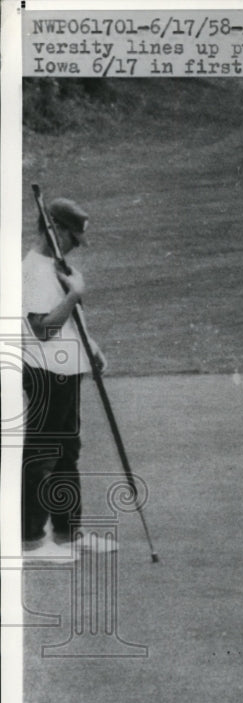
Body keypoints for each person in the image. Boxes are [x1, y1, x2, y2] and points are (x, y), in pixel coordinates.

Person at [21, 197, 109, 559]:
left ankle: (67, 533)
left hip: (67, 370)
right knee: (43, 455)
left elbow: (68, 321)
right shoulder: (33, 270)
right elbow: (43, 329)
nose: (76, 244)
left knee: (67, 453)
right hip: (45, 370)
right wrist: (74, 294)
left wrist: (90, 344)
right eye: (72, 236)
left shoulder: (57, 265)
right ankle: (30, 541)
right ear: (54, 229)